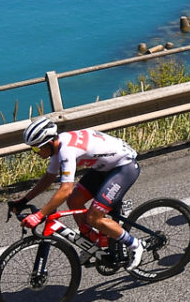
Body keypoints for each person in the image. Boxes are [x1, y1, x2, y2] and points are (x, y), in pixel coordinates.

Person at [10, 116, 145, 270]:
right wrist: (23, 200)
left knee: (94, 217)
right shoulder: (57, 146)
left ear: (48, 143)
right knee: (74, 202)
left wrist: (38, 215)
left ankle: (135, 244)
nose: (35, 152)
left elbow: (65, 189)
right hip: (104, 169)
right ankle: (91, 242)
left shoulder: (66, 150)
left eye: (35, 148)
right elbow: (49, 178)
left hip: (123, 167)